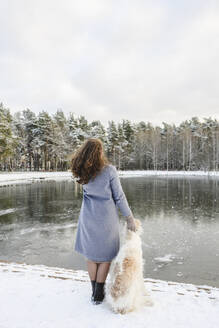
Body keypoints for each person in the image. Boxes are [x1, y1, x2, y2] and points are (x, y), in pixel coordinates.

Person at [70, 138, 136, 305]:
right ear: (99, 152)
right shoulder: (109, 171)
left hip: (88, 217)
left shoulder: (81, 170)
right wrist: (129, 217)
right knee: (105, 257)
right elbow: (119, 197)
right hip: (106, 219)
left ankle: (94, 292)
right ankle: (99, 292)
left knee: (91, 256)